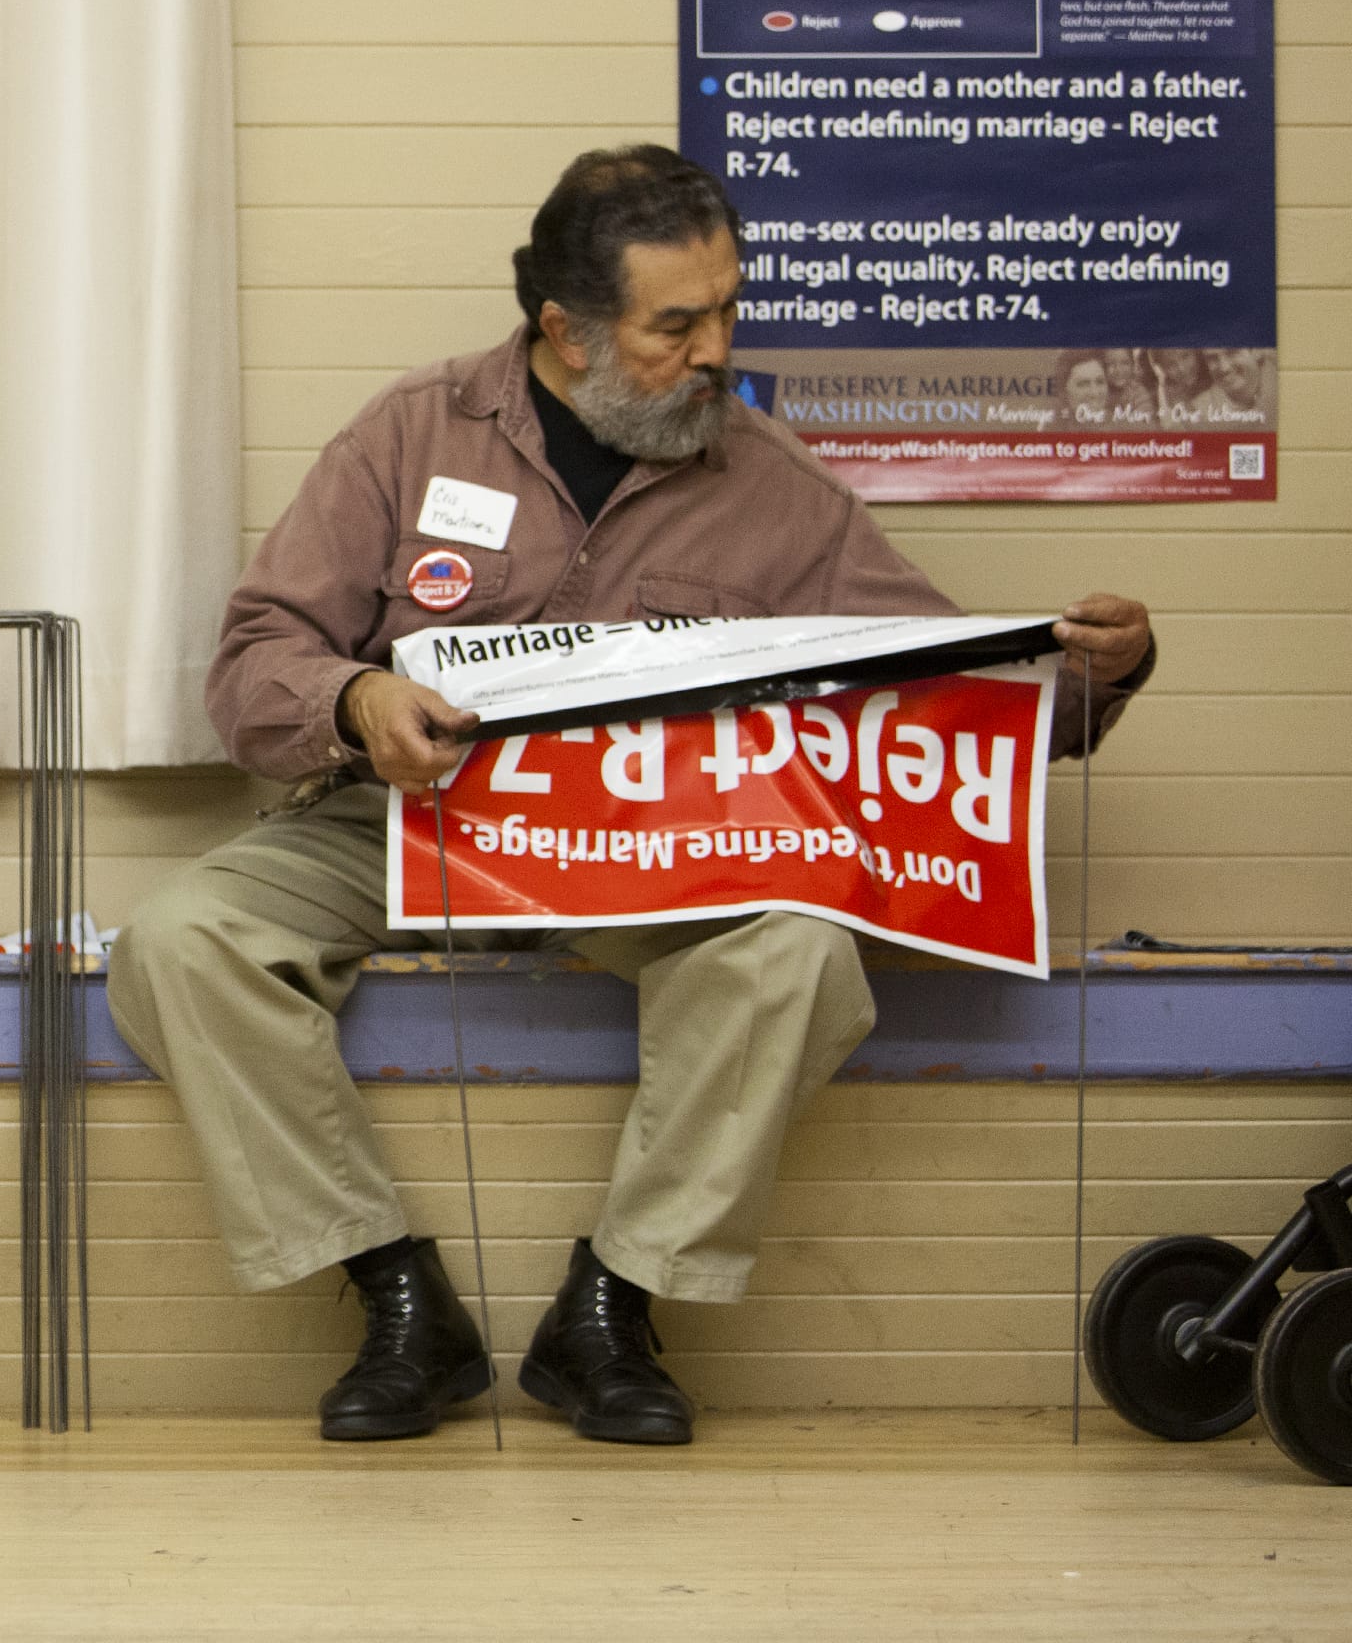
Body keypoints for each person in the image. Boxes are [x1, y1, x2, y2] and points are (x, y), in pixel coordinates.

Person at [109, 145, 1156, 1447]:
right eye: (679, 323)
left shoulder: (777, 490)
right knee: (179, 941)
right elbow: (254, 658)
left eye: (729, 308)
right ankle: (394, 1301)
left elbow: (936, 687)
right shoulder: (409, 433)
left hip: (649, 846)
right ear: (565, 328)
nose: (718, 347)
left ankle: (609, 1310)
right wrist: (354, 700)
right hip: (407, 818)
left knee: (799, 955)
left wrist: (1090, 678)